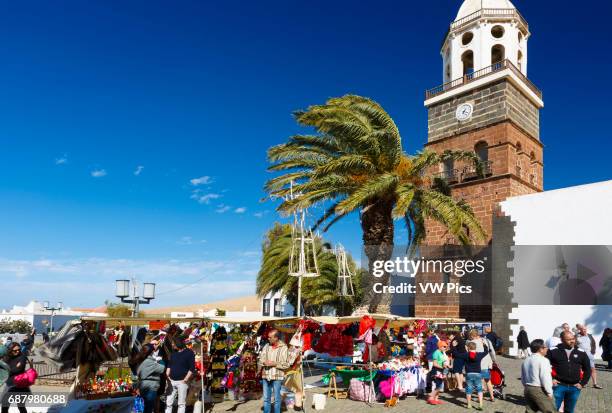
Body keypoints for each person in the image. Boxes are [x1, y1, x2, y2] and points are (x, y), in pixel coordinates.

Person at [547, 331, 591, 413]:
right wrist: (551, 379)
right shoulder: (553, 351)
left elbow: (588, 369)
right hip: (558, 386)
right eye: (569, 339)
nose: (572, 341)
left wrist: (582, 383)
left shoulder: (581, 352)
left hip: (574, 387)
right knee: (552, 410)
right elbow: (544, 367)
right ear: (562, 340)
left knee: (569, 410)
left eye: (573, 339)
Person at [258, 329, 290, 413]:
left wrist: (274, 363)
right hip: (266, 375)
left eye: (270, 337)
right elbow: (261, 359)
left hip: (277, 376)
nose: (268, 339)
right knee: (266, 399)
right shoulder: (266, 346)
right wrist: (264, 362)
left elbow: (286, 364)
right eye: (268, 337)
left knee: (277, 399)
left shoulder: (284, 348)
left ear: (276, 338)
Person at [521, 339, 556, 413]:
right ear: (541, 349)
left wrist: (527, 386)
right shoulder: (543, 360)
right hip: (538, 389)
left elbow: (523, 378)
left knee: (530, 411)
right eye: (545, 347)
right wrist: (549, 392)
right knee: (550, 411)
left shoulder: (526, 360)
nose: (547, 349)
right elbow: (545, 378)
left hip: (527, 388)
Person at [453, 341, 490, 410]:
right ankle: (481, 405)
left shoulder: (465, 355)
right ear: (475, 348)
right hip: (478, 374)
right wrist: (484, 345)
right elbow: (486, 352)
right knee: (479, 390)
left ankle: (469, 404)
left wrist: (454, 346)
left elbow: (456, 354)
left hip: (469, 374)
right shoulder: (479, 354)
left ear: (468, 348)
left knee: (469, 390)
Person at [164, 338, 196, 413]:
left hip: (182, 382)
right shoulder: (173, 353)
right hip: (171, 381)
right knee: (168, 402)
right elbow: (169, 365)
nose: (172, 345)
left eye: (173, 343)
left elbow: (192, 368)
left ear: (178, 343)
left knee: (181, 403)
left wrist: (185, 379)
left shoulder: (189, 353)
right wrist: (167, 376)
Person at [467, 329, 497, 403]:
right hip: (486, 363)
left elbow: (470, 355)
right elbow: (492, 351)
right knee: (488, 381)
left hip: (477, 365)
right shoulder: (486, 340)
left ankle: (480, 398)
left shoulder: (471, 343)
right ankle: (492, 397)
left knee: (479, 382)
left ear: (471, 335)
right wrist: (494, 360)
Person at [134, 344, 165, 413]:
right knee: (148, 408)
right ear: (151, 352)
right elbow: (162, 368)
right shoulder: (149, 362)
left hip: (142, 386)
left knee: (144, 407)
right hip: (151, 386)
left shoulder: (140, 361)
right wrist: (160, 360)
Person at [1, 342, 30, 413]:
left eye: (19, 349)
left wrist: (8, 369)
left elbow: (18, 369)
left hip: (21, 385)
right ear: (10, 350)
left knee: (20, 406)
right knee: (4, 406)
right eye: (15, 350)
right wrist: (12, 368)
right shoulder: (6, 357)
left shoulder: (22, 357)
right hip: (9, 385)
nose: (18, 351)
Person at [575, 324, 602, 389]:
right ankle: (582, 383)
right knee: (581, 369)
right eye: (583, 329)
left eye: (585, 329)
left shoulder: (589, 336)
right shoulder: (576, 336)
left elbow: (593, 343)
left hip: (590, 355)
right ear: (580, 330)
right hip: (580, 356)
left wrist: (593, 352)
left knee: (592, 369)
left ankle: (595, 383)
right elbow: (574, 345)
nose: (584, 330)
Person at [426, 340, 450, 405]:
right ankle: (430, 397)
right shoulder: (436, 352)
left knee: (439, 385)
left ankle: (436, 399)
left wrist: (446, 365)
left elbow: (442, 362)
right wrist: (443, 367)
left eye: (446, 347)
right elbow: (435, 364)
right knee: (438, 385)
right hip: (436, 370)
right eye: (444, 346)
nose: (445, 348)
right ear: (440, 346)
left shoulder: (442, 353)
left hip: (440, 370)